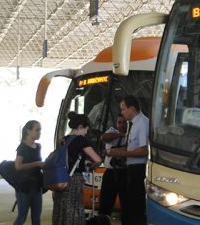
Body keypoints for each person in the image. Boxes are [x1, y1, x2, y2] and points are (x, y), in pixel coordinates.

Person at [52, 112, 102, 225]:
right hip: (73, 180)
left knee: (61, 208)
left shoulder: (62, 140)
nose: (86, 133)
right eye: (86, 129)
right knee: (74, 208)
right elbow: (97, 159)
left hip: (60, 179)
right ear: (80, 127)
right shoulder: (81, 140)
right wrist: (91, 166)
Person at [108, 95, 149, 225]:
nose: (122, 112)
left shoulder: (142, 123)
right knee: (130, 207)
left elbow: (144, 151)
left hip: (138, 170)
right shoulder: (134, 123)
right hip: (131, 169)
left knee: (136, 207)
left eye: (124, 108)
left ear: (132, 108)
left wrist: (122, 153)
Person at [99, 114, 128, 224]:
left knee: (127, 206)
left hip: (126, 174)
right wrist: (120, 135)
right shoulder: (112, 132)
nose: (122, 125)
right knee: (105, 205)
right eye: (119, 122)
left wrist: (115, 151)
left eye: (124, 122)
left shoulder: (132, 135)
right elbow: (104, 138)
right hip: (111, 173)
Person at [13, 120, 44, 225]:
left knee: (36, 218)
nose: (39, 132)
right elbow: (18, 166)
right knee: (22, 217)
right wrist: (36, 164)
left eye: (40, 130)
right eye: (37, 130)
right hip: (24, 187)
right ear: (28, 131)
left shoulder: (38, 147)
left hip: (37, 186)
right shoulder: (22, 147)